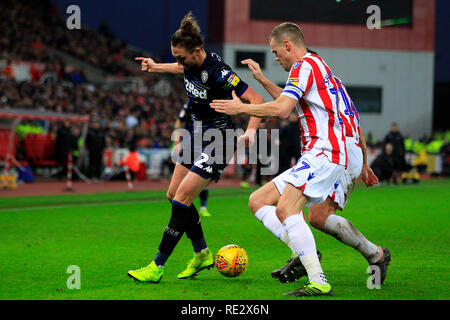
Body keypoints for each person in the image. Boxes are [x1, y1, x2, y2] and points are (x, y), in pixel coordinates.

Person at [211, 22, 348, 296]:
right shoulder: (315, 65)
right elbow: (290, 102)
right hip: (321, 153)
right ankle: (303, 252)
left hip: (325, 151)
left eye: (275, 52)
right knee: (257, 200)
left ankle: (318, 281)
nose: (275, 58)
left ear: (288, 45)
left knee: (286, 209)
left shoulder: (303, 66)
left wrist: (242, 107)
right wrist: (262, 80)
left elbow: (283, 109)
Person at [127, 12, 264, 283]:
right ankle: (201, 253)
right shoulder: (189, 64)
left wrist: (250, 131)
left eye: (181, 56)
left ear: (197, 50)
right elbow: (181, 69)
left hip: (220, 138)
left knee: (182, 199)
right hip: (195, 133)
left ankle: (157, 266)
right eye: (175, 56)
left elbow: (256, 98)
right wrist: (156, 67)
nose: (179, 62)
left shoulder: (218, 71)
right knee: (172, 195)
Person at [174, 102, 212, 218]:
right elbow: (179, 122)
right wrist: (176, 143)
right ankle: (187, 207)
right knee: (180, 182)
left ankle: (203, 207)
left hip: (205, 144)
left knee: (203, 176)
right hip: (189, 144)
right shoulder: (188, 105)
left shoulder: (209, 102)